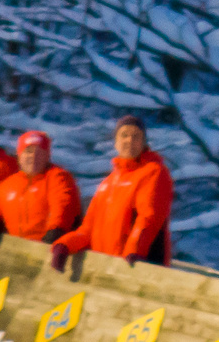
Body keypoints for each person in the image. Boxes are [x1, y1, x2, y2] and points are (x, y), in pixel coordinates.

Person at [50, 116, 174, 270]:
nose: (129, 140)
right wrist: (64, 245)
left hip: (135, 264)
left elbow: (149, 217)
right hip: (105, 266)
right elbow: (88, 228)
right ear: (116, 142)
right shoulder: (109, 182)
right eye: (124, 135)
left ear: (143, 143)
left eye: (136, 136)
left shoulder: (154, 172)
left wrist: (133, 252)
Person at [0, 131, 81, 252]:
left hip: (47, 247)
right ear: (19, 155)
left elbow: (62, 207)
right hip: (17, 249)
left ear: (47, 156)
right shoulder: (10, 183)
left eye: (39, 153)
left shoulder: (58, 178)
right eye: (28, 151)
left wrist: (55, 232)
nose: (33, 157)